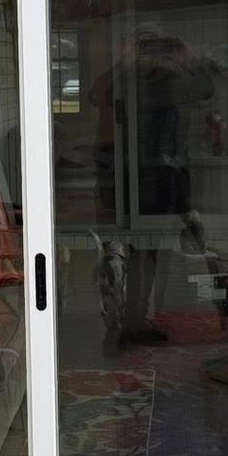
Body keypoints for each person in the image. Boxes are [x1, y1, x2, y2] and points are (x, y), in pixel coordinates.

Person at [89, 21, 215, 347]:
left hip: (137, 173)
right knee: (144, 248)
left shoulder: (142, 79)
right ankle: (131, 317)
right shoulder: (150, 79)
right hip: (149, 175)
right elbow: (204, 88)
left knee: (139, 244)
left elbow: (94, 94)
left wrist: (129, 61)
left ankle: (128, 309)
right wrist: (182, 55)